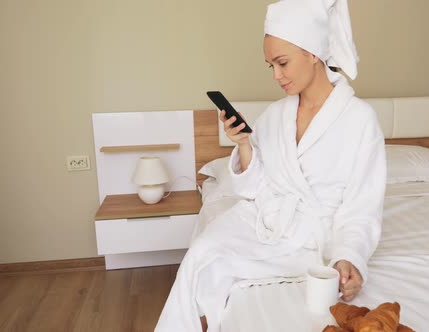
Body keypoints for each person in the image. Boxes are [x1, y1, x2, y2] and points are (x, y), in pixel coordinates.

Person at [155, 0, 386, 331]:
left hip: (313, 240)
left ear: (313, 52)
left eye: (282, 63)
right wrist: (244, 144)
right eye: (271, 66)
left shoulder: (360, 119)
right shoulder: (275, 115)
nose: (276, 76)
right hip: (266, 222)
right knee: (202, 252)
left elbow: (362, 206)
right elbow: (253, 187)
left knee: (223, 263)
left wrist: (349, 256)